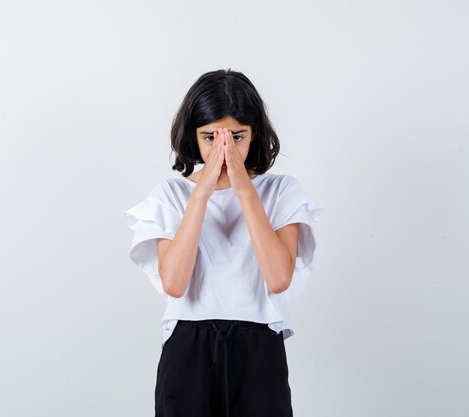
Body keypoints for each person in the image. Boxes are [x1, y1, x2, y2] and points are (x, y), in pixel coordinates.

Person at [123, 68, 325, 417]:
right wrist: (201, 191)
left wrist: (243, 187)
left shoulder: (281, 192)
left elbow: (279, 278)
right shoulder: (169, 195)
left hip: (260, 341)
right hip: (189, 343)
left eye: (236, 136)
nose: (224, 147)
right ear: (193, 136)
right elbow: (174, 283)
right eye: (210, 138)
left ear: (254, 134)